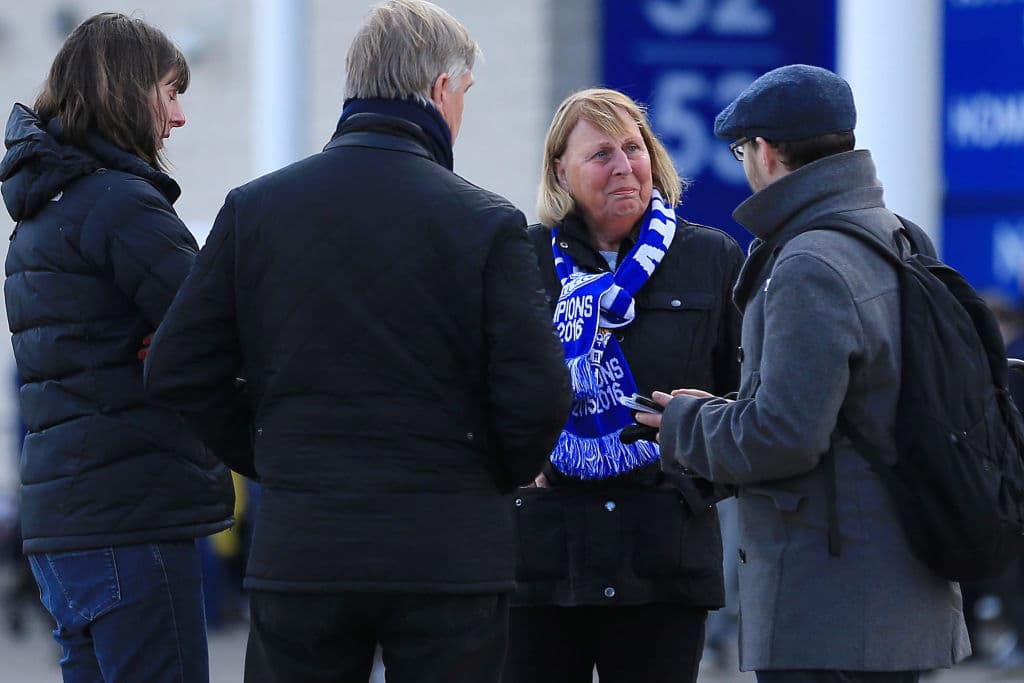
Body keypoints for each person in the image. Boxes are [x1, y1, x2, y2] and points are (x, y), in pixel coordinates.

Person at [142, 1, 572, 682]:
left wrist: (269, 454)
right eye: (465, 93)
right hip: (449, 554)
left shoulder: (258, 209)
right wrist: (488, 474)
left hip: (304, 547)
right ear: (440, 90)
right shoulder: (486, 222)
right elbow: (540, 390)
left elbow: (177, 367)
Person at [637, 64, 971, 683]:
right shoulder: (899, 237)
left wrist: (686, 421)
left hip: (829, 604)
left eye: (741, 150)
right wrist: (725, 411)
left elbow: (785, 435)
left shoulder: (809, 264)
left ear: (765, 151)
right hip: (903, 584)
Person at [0, 12, 235, 683]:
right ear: (127, 92)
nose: (179, 116)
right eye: (169, 92)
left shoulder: (43, 212)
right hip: (130, 523)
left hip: (64, 527)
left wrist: (171, 340)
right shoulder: (119, 204)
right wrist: (183, 343)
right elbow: (219, 328)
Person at [505, 88, 743, 683]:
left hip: (662, 558)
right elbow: (482, 384)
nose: (623, 166)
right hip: (542, 560)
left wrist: (695, 480)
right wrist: (512, 461)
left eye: (633, 148)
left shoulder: (709, 257)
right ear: (560, 170)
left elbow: (749, 402)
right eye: (601, 153)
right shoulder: (519, 260)